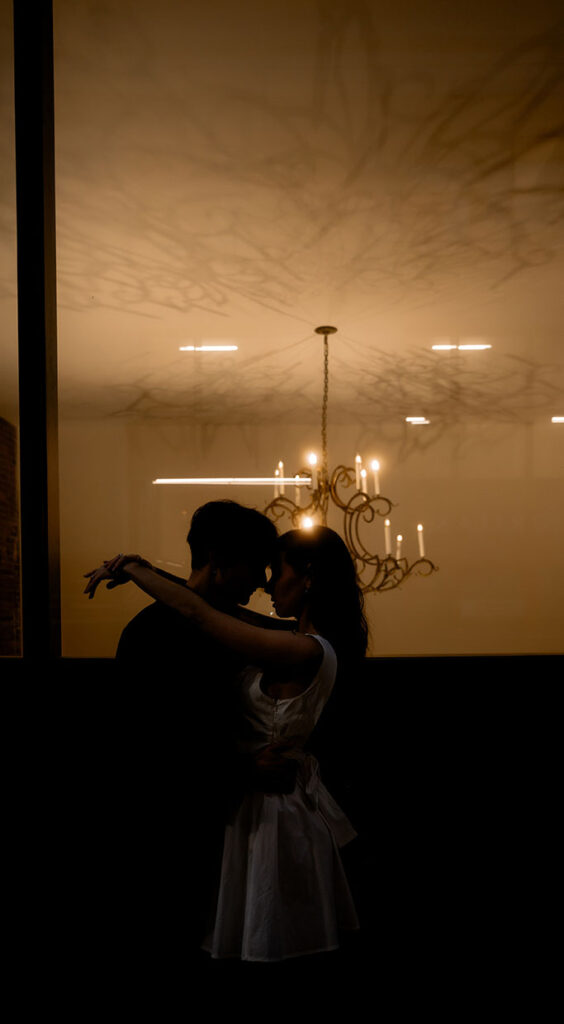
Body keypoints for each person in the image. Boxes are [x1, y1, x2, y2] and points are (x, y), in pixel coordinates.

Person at [85, 524, 368, 963]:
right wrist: (148, 571)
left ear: (308, 576)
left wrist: (138, 571)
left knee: (268, 935)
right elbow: (210, 605)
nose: (267, 584)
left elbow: (203, 615)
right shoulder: (295, 638)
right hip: (251, 806)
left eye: (277, 571)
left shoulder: (304, 650)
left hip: (273, 811)